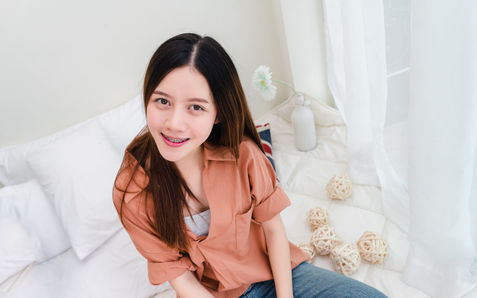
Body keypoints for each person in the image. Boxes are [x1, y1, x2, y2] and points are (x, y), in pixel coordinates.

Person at [112, 33, 387, 298]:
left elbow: (273, 230)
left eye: (195, 107)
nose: (174, 123)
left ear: (218, 113)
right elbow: (181, 280)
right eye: (162, 101)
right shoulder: (132, 192)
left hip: (270, 274)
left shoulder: (244, 156)